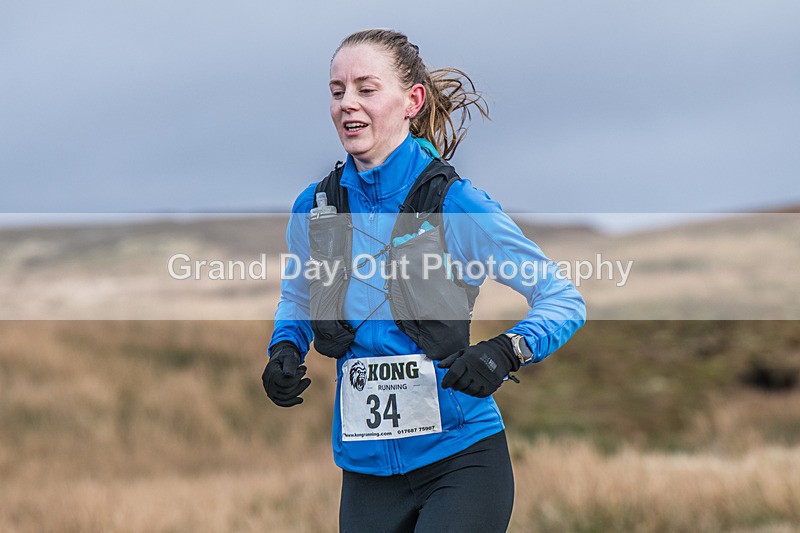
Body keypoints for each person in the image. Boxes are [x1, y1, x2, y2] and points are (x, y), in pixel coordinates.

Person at [262, 29, 586, 532]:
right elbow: (300, 294)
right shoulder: (315, 207)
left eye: (366, 89)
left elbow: (562, 299)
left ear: (411, 100)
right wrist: (285, 347)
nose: (348, 103)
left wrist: (507, 351)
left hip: (461, 460)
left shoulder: (456, 204)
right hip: (367, 472)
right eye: (337, 90)